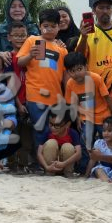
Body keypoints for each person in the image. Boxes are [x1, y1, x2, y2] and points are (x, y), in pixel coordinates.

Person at [16, 9, 67, 143]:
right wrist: (30, 55)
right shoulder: (32, 40)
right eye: (45, 26)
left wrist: (67, 96)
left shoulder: (62, 49)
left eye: (53, 26)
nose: (49, 29)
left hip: (56, 97)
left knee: (55, 131)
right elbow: (20, 62)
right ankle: (41, 162)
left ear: (58, 27)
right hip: (35, 95)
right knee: (40, 130)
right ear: (40, 26)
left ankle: (50, 160)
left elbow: (66, 74)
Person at [0, 21, 34, 172]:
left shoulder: (32, 56)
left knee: (27, 136)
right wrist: (19, 104)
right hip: (14, 101)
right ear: (9, 37)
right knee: (13, 133)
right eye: (16, 35)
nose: (20, 39)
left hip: (31, 100)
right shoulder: (8, 58)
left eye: (23, 35)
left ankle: (24, 164)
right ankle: (11, 163)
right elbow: (10, 83)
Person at [63, 51, 112, 147]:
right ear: (68, 72)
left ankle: (107, 160)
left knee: (107, 140)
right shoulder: (70, 84)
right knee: (85, 139)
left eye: (79, 69)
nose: (77, 73)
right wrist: (78, 118)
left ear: (86, 67)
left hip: (103, 116)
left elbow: (107, 98)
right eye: (72, 71)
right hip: (85, 117)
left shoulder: (96, 79)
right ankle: (86, 161)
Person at [37, 112, 83, 177]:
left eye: (57, 125)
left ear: (67, 124)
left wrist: (64, 164)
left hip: (65, 165)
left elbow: (79, 154)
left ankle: (68, 173)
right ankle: (49, 172)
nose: (53, 128)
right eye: (51, 124)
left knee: (68, 147)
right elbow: (39, 153)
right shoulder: (48, 132)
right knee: (51, 143)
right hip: (50, 167)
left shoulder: (72, 133)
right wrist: (47, 167)